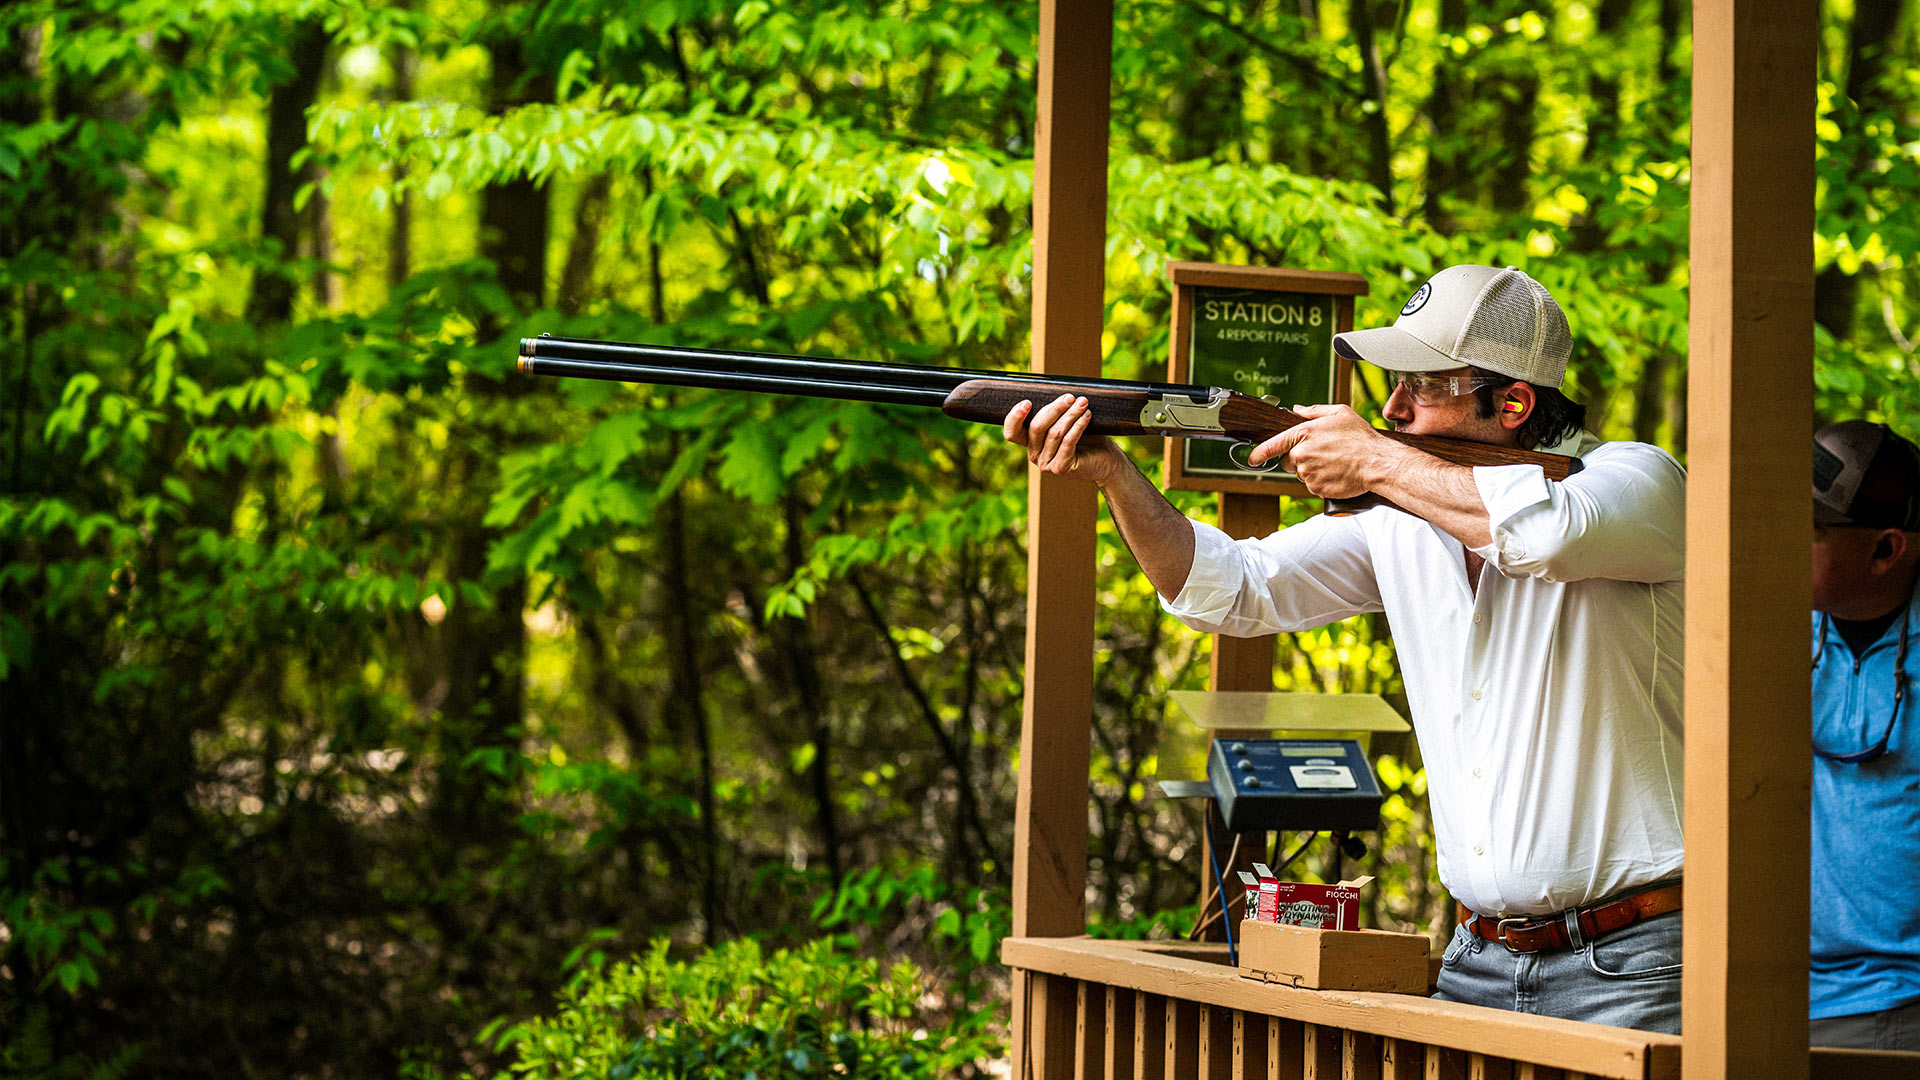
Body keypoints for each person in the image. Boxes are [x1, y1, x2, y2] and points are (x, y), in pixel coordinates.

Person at [1006, 265, 1688, 1032]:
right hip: (1479, 956)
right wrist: (1115, 475)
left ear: (1514, 403)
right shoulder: (1400, 518)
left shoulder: (1638, 482)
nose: (1389, 410)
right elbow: (1232, 588)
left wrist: (1373, 460)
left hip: (1633, 961)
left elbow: (1545, 532)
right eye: (1390, 385)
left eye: (1420, 388)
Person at [1809, 420, 1920, 1051]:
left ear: (1885, 549)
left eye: (1812, 532)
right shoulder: (1757, 626)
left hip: (1902, 998)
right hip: (1765, 990)